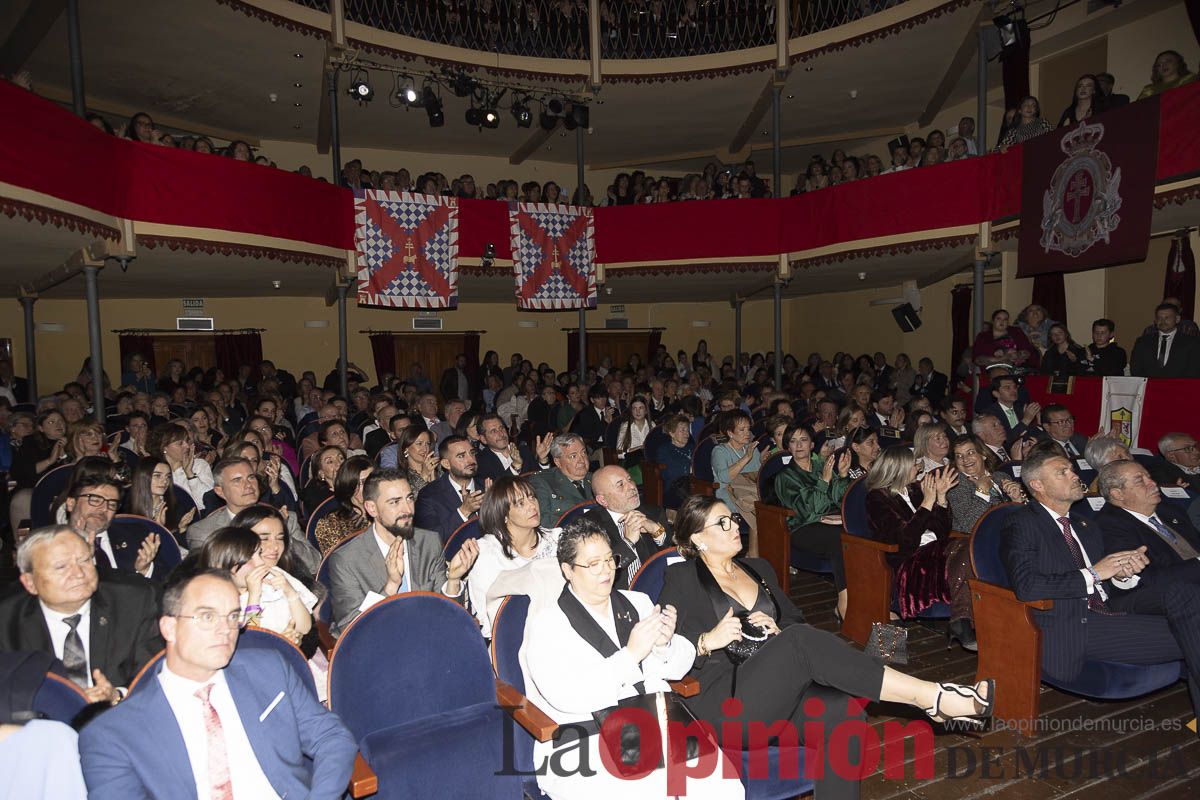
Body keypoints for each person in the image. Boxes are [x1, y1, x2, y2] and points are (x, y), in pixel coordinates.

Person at [658, 495, 994, 800]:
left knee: (844, 711)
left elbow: (794, 620)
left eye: (733, 517)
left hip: (781, 689)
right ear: (698, 539)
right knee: (805, 641)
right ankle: (930, 697)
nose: (735, 526)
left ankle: (921, 696)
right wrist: (707, 640)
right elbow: (663, 649)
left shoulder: (758, 569)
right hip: (727, 702)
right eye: (723, 523)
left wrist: (778, 627)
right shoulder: (682, 579)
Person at [78, 569, 357, 799]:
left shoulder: (269, 670)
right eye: (207, 616)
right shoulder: (112, 734)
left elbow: (332, 737)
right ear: (169, 627)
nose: (225, 629)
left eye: (233, 616)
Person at [521, 518, 745, 800]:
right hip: (587, 737)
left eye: (609, 560)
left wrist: (664, 645)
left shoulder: (636, 602)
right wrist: (630, 655)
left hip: (655, 721)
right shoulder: (547, 624)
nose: (605, 571)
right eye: (593, 564)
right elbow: (567, 697)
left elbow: (677, 669)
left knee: (724, 787)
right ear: (567, 570)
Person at [999, 449, 1200, 725]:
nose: (1074, 475)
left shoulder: (1085, 525)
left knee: (1185, 599)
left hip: (1111, 608)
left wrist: (1123, 574)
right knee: (1193, 630)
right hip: (1073, 621)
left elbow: (1108, 583)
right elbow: (1027, 587)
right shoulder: (1021, 522)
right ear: (1037, 485)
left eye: (1072, 469)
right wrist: (1093, 573)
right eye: (1063, 472)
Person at [0, 526, 162, 700]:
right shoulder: (7, 622)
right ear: (30, 583)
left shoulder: (134, 602)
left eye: (85, 560)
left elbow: (154, 675)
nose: (78, 573)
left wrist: (118, 695)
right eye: (61, 567)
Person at [327, 468, 478, 636]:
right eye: (394, 502)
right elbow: (350, 629)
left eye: (409, 498)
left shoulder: (428, 542)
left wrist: (453, 580)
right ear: (372, 508)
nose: (407, 509)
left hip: (427, 637)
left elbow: (447, 614)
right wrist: (391, 585)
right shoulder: (346, 560)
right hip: (379, 645)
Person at [866, 447, 976, 646]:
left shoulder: (915, 489)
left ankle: (964, 620)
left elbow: (940, 532)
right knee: (967, 547)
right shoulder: (877, 498)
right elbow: (905, 540)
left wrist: (941, 498)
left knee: (973, 550)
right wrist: (927, 503)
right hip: (910, 560)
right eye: (914, 465)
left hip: (936, 553)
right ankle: (961, 620)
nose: (918, 468)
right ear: (898, 469)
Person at [185, 457, 319, 576]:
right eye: (237, 480)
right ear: (220, 491)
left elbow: (314, 564)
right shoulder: (203, 532)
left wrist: (282, 535)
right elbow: (207, 582)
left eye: (251, 477)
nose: (248, 485)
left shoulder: (284, 518)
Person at [771, 423, 851, 619]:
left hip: (830, 522)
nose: (799, 445)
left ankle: (864, 595)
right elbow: (807, 511)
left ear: (812, 444)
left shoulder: (822, 466)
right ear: (787, 447)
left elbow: (840, 500)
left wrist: (842, 475)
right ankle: (844, 603)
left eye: (804, 440)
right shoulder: (785, 476)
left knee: (858, 535)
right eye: (793, 441)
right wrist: (823, 482)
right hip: (801, 529)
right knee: (837, 537)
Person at [467, 475, 561, 638]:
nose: (532, 506)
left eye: (532, 497)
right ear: (503, 514)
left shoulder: (557, 540)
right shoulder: (485, 553)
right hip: (512, 638)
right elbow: (486, 621)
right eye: (520, 503)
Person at [196, 521, 315, 646]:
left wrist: (290, 592)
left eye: (259, 554)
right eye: (249, 559)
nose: (260, 563)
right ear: (222, 566)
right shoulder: (213, 603)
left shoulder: (272, 576)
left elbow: (304, 628)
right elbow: (249, 645)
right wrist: (254, 597)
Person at [1096, 461, 1200, 593]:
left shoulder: (1170, 510)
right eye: (1140, 481)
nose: (1153, 483)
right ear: (1118, 494)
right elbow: (1147, 579)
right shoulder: (1109, 525)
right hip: (1176, 594)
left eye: (1149, 477)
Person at [584, 465, 671, 590]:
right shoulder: (589, 526)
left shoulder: (653, 512)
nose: (632, 487)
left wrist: (656, 530)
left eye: (629, 479)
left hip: (659, 588)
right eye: (620, 485)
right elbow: (599, 571)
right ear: (603, 500)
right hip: (620, 596)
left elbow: (673, 553)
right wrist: (628, 542)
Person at [946, 435, 1025, 534]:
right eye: (959, 456)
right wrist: (982, 492)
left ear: (983, 454)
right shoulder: (955, 485)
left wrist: (1017, 501)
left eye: (970, 453)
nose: (965, 460)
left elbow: (1020, 518)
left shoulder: (1000, 477)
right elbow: (969, 526)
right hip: (984, 541)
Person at [413, 435, 485, 543]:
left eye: (472, 453)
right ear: (446, 464)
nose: (470, 460)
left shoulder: (488, 485)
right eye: (461, 456)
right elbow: (431, 541)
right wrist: (463, 511)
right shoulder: (429, 495)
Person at [710, 410, 761, 555]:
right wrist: (746, 457)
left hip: (749, 493)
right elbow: (725, 478)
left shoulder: (752, 450)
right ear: (730, 433)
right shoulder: (719, 451)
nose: (747, 433)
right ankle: (753, 554)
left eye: (748, 429)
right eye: (742, 430)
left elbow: (756, 477)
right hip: (728, 494)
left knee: (771, 510)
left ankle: (773, 555)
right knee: (759, 510)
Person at [528, 433, 594, 528]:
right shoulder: (543, 482)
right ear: (557, 462)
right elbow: (544, 521)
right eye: (573, 456)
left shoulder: (596, 478)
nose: (582, 460)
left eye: (583, 453)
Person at [313, 455, 373, 554]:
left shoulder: (389, 512)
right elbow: (339, 563)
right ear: (349, 487)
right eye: (363, 482)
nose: (370, 486)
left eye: (373, 480)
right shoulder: (331, 524)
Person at [149, 422, 214, 513]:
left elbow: (208, 503)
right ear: (164, 447)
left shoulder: (199, 465)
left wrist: (190, 474)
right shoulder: (157, 472)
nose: (187, 446)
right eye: (180, 443)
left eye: (187, 441)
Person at [126, 456, 196, 540]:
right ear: (143, 477)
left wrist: (182, 529)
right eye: (158, 476)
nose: (165, 481)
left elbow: (182, 547)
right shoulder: (126, 506)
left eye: (168, 476)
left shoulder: (176, 507)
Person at [1130, 302, 1200, 377]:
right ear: (1155, 320)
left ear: (1177, 319)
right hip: (1149, 386)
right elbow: (1136, 369)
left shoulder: (1191, 342)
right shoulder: (1143, 342)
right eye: (1159, 318)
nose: (1162, 321)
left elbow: (1193, 370)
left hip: (1179, 387)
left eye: (1167, 318)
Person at [474, 413, 542, 482]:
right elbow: (494, 489)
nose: (501, 434)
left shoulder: (524, 451)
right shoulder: (480, 462)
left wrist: (543, 461)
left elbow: (541, 479)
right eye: (493, 431)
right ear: (484, 439)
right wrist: (514, 467)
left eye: (501, 428)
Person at [978, 375, 1040, 441]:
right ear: (996, 394)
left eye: (1015, 387)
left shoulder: (1021, 408)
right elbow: (1004, 440)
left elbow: (1031, 434)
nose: (1013, 390)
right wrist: (1026, 420)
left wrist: (1039, 422)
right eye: (1007, 388)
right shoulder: (989, 414)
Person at [973, 309, 1038, 369]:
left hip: (1019, 366)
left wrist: (1018, 354)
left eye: (1005, 319)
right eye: (998, 318)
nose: (1002, 321)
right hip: (995, 367)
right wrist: (1001, 358)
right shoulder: (983, 337)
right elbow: (977, 359)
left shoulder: (1016, 332)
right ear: (993, 321)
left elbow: (1028, 350)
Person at [302, 444, 344, 514]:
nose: (339, 464)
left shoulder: (357, 484)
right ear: (322, 473)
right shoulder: (319, 500)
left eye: (341, 458)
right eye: (330, 462)